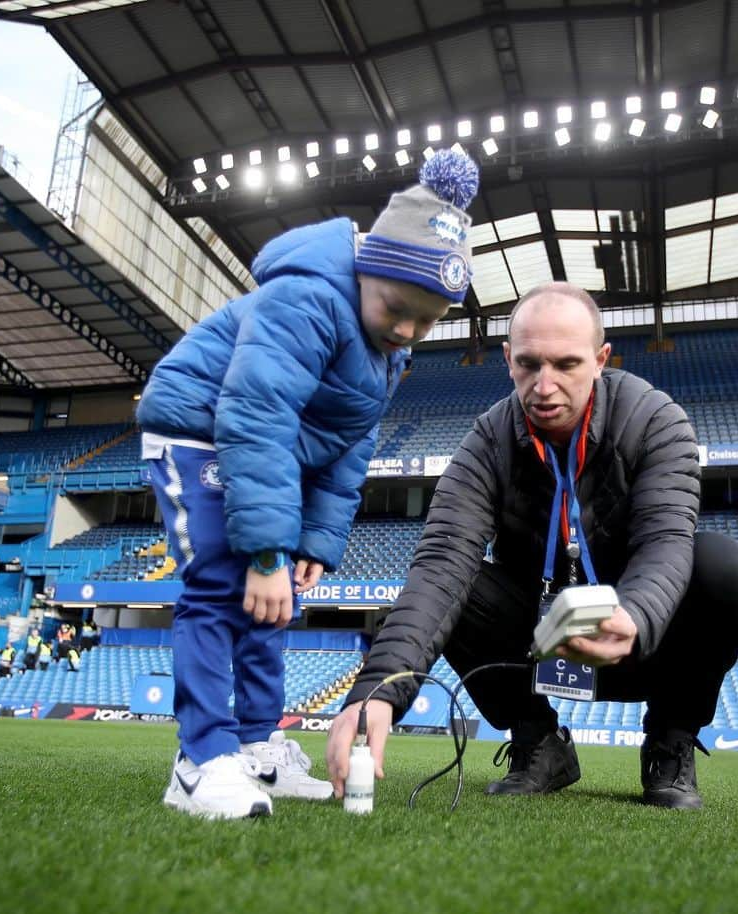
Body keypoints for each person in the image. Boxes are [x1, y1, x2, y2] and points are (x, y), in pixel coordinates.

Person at [135, 149, 480, 820]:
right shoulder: (309, 296)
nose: (408, 329)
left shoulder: (389, 348)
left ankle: (259, 747)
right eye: (396, 308)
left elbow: (350, 447)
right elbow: (256, 413)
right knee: (221, 584)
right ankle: (200, 759)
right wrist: (264, 552)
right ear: (368, 268)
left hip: (271, 451)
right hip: (201, 427)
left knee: (277, 599)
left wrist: (312, 544)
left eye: (428, 320)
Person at [327, 282, 738, 810]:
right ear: (508, 359)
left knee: (720, 568)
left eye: (566, 364)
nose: (543, 385)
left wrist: (635, 617)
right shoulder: (487, 442)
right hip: (538, 641)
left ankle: (671, 738)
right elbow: (440, 565)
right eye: (528, 364)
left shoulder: (656, 420)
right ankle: (539, 742)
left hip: (641, 640)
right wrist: (380, 688)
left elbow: (665, 543)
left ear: (601, 359)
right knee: (457, 589)